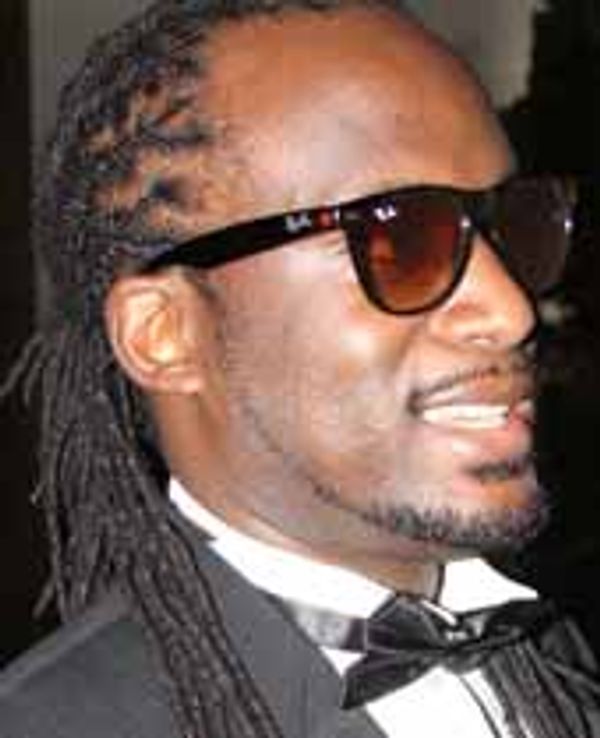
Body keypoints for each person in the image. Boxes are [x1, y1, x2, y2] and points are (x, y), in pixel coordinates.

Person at [1, 0, 599, 736]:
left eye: (515, 223)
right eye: (399, 238)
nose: (511, 309)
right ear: (166, 333)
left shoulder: (557, 657)